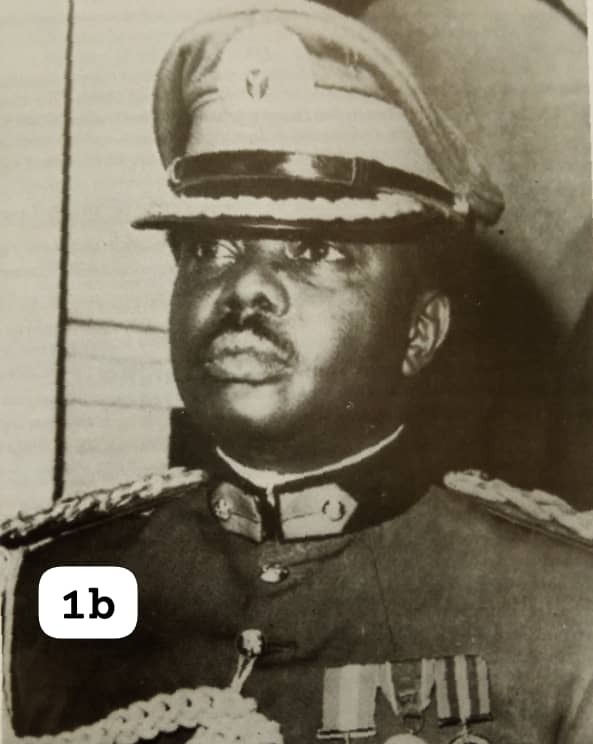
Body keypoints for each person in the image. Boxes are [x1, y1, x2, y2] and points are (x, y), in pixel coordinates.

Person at [2, 2, 593, 743]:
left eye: (314, 250)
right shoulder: (44, 591)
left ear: (418, 332)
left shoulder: (564, 613)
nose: (244, 287)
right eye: (210, 248)